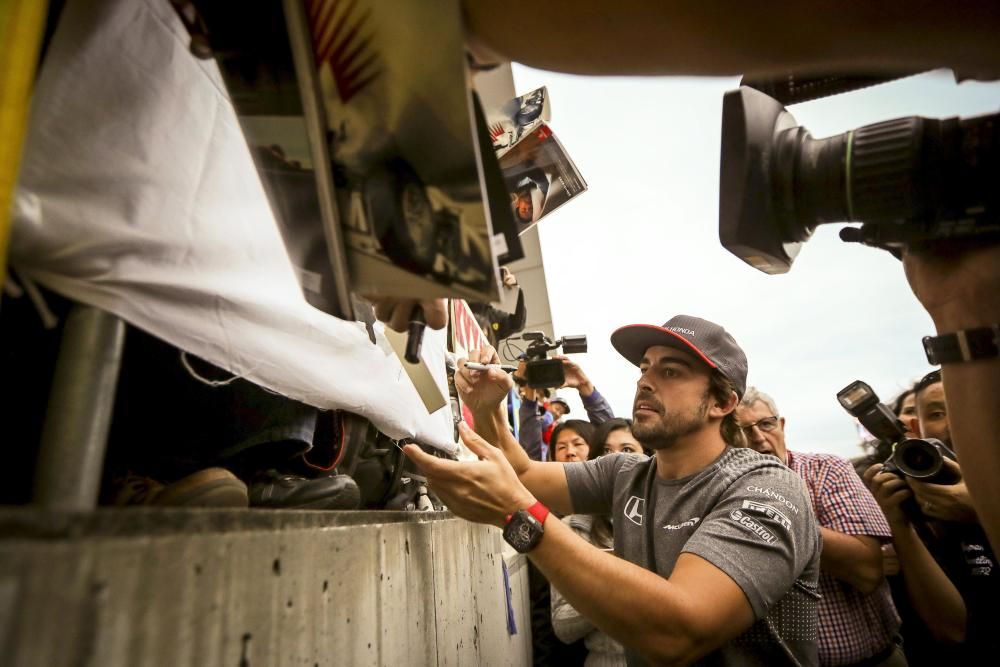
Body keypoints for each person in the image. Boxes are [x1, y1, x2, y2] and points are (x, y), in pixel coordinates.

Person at [404, 314, 821, 665]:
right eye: (644, 368)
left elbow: (680, 633)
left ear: (722, 402)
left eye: (670, 371)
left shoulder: (765, 486)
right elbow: (523, 475)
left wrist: (519, 517)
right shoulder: (628, 473)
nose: (645, 382)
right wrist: (485, 407)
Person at [736, 388, 902, 667]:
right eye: (743, 429)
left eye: (766, 424)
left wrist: (776, 512)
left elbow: (867, 571)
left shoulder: (826, 470)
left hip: (870, 660)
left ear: (782, 425)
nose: (759, 438)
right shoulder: (724, 492)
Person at [863, 369, 999, 662]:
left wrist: (980, 512)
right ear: (915, 427)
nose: (953, 423)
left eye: (961, 409)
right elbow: (951, 631)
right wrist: (900, 529)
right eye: (937, 413)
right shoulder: (905, 499)